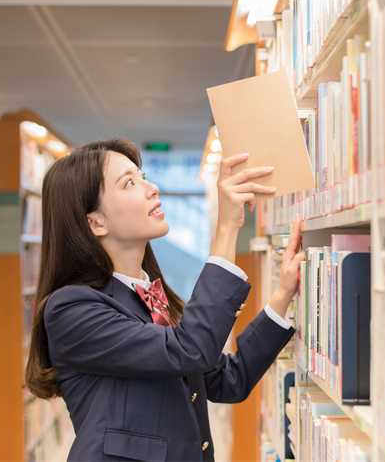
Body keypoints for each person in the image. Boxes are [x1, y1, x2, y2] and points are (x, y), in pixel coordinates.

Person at [24, 137, 305, 461]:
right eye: (129, 183)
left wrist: (283, 295)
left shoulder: (152, 299)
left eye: (142, 176)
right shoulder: (71, 310)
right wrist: (227, 227)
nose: (151, 187)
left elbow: (229, 380)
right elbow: (191, 349)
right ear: (95, 222)